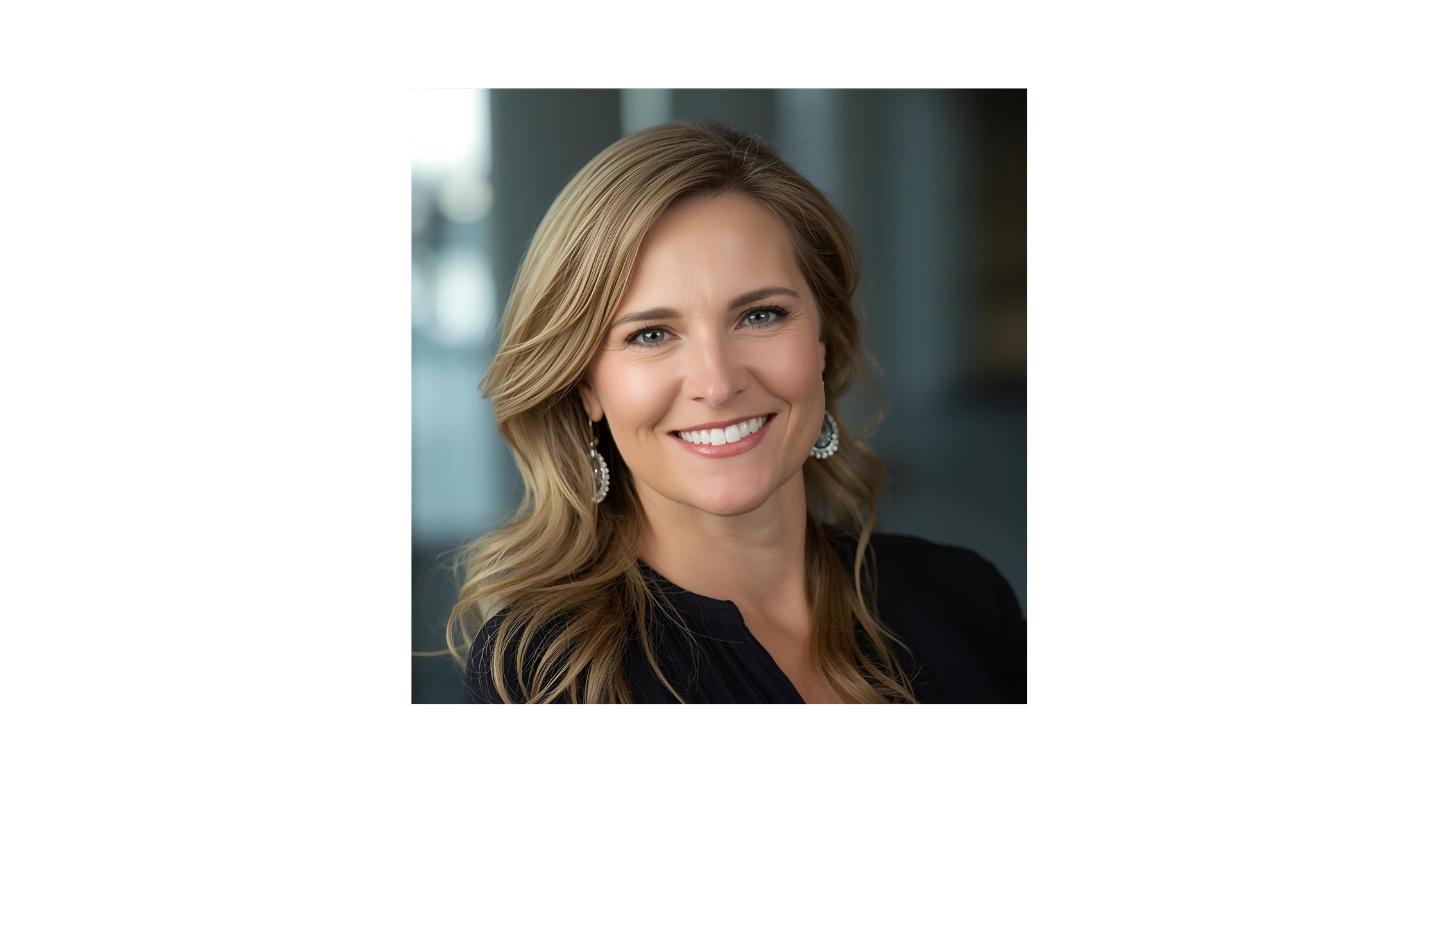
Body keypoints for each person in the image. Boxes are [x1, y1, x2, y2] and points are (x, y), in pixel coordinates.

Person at [430, 120, 1024, 719]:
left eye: (761, 316)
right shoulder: (547, 680)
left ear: (822, 342)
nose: (718, 384)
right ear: (587, 386)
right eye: (652, 334)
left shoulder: (967, 599)